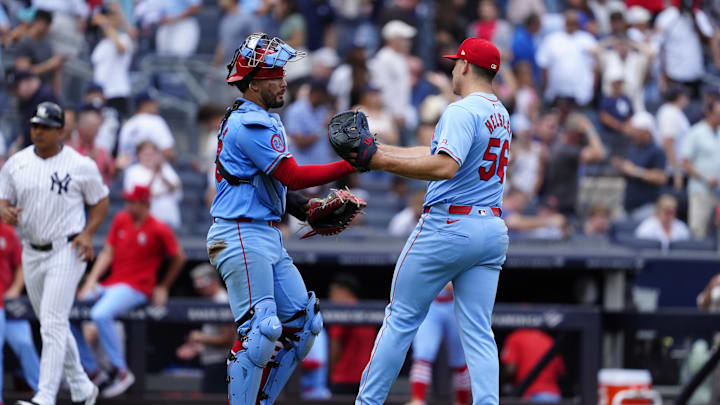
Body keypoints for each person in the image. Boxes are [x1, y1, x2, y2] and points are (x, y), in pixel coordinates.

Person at [345, 38, 511, 405]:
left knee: (400, 319)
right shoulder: (500, 112)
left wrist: (378, 162)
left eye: (455, 63)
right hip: (491, 229)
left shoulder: (461, 110)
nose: (452, 69)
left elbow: (444, 166)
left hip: (449, 227)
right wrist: (378, 150)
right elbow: (434, 153)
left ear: (466, 66)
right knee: (479, 332)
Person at [207, 32, 361, 405]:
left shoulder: (261, 118)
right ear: (255, 81)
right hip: (240, 232)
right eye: (275, 73)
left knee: (306, 324)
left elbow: (276, 186)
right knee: (263, 329)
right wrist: (353, 162)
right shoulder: (249, 123)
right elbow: (291, 174)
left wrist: (307, 209)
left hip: (263, 234)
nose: (283, 80)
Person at [0, 101, 109, 405]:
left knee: (51, 321)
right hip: (31, 250)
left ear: (61, 130)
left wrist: (88, 233)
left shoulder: (80, 164)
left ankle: (45, 396)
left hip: (67, 248)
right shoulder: (16, 162)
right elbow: (2, 200)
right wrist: (4, 211)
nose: (38, 131)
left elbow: (100, 201)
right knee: (54, 322)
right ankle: (83, 387)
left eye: (46, 127)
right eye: (35, 125)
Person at [72, 185, 185, 397]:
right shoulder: (121, 219)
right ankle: (94, 371)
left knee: (100, 314)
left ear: (145, 204)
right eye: (128, 201)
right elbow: (107, 252)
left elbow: (179, 256)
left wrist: (164, 286)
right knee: (69, 313)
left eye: (133, 202)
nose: (128, 205)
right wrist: (91, 282)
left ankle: (121, 371)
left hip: (137, 287)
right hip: (111, 284)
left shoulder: (159, 227)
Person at [406, 284, 470, 405]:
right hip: (430, 305)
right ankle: (417, 400)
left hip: (456, 305)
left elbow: (454, 286)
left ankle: (462, 402)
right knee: (423, 354)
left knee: (460, 360)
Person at [176, 264, 235, 394]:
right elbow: (215, 336)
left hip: (221, 365)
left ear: (212, 281)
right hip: (212, 362)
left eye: (202, 286)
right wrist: (197, 346)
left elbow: (228, 340)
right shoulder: (212, 300)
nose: (199, 290)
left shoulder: (222, 301)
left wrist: (200, 337)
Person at [0, 221, 41, 401]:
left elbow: (21, 265)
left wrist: (16, 288)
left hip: (9, 304)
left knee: (25, 343)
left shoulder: (8, 233)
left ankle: (42, 393)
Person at [611, 112, 667, 220]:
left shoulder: (657, 151)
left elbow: (661, 177)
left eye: (637, 132)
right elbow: (629, 172)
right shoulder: (634, 148)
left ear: (646, 132)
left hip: (646, 207)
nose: (633, 134)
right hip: (628, 207)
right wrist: (622, 168)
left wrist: (636, 171)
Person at [327, 274, 376, 395]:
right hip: (367, 379)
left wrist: (329, 371)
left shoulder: (341, 310)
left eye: (333, 292)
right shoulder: (367, 311)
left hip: (343, 378)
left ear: (344, 291)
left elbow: (335, 345)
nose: (331, 297)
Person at [536, 10, 597, 107]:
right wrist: (545, 89)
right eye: (569, 22)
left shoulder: (587, 40)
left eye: (574, 22)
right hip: (556, 96)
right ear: (564, 22)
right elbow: (543, 66)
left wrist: (592, 90)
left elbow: (595, 68)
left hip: (581, 96)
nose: (572, 25)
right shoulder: (552, 39)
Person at [681, 99, 720, 239]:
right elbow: (685, 163)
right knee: (698, 230)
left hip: (719, 192)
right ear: (709, 113)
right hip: (701, 190)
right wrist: (705, 178)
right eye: (718, 113)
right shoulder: (696, 132)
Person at [123, 141, 182, 229]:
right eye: (145, 154)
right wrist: (154, 175)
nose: (149, 157)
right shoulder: (132, 171)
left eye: (152, 154)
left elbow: (177, 187)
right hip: (145, 220)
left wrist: (161, 174)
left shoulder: (164, 167)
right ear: (138, 155)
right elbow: (138, 196)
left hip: (168, 218)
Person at [89, 6, 134, 119]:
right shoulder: (101, 44)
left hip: (117, 92)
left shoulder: (124, 38)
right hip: (100, 94)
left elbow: (121, 47)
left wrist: (105, 24)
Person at [500, 329, 566, 402]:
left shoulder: (515, 337)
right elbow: (561, 373)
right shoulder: (549, 340)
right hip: (553, 396)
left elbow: (510, 369)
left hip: (529, 396)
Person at [117, 92, 175, 168]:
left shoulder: (128, 125)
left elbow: (121, 159)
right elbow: (168, 152)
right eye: (153, 103)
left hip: (130, 174)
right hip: (151, 172)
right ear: (143, 104)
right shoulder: (155, 121)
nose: (157, 105)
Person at [12, 10, 64, 93]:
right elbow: (23, 72)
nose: (48, 29)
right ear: (37, 22)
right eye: (46, 25)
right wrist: (50, 64)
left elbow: (54, 72)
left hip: (45, 89)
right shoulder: (25, 42)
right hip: (28, 91)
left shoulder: (47, 44)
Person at [68, 106, 115, 186]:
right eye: (92, 126)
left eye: (97, 126)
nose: (96, 130)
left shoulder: (102, 152)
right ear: (80, 127)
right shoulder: (69, 149)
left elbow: (112, 173)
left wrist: (117, 167)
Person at [12, 71, 59, 149]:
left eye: (17, 87)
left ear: (28, 82)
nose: (17, 92)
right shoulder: (29, 98)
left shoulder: (45, 96)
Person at [656, 86, 690, 190]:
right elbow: (668, 142)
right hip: (672, 172)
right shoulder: (668, 112)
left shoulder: (676, 112)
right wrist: (677, 174)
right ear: (680, 97)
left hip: (680, 169)